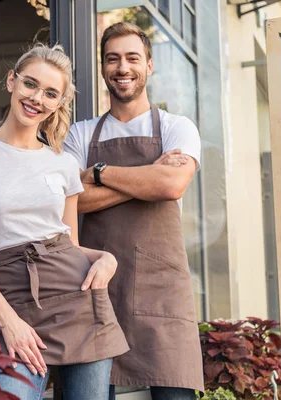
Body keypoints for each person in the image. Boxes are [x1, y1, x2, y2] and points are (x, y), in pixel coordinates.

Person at [0, 43, 129, 400]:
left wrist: (106, 259)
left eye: (51, 93)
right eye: (30, 84)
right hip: (15, 303)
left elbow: (72, 244)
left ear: (60, 103)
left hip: (81, 303)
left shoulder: (63, 164)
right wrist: (8, 320)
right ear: (11, 81)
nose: (37, 98)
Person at [63, 22, 204, 399]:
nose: (122, 68)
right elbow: (72, 200)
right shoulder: (80, 133)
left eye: (132, 58)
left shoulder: (178, 127)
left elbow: (172, 186)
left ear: (149, 65)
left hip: (162, 288)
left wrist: (99, 173)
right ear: (103, 68)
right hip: (95, 283)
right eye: (112, 59)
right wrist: (148, 175)